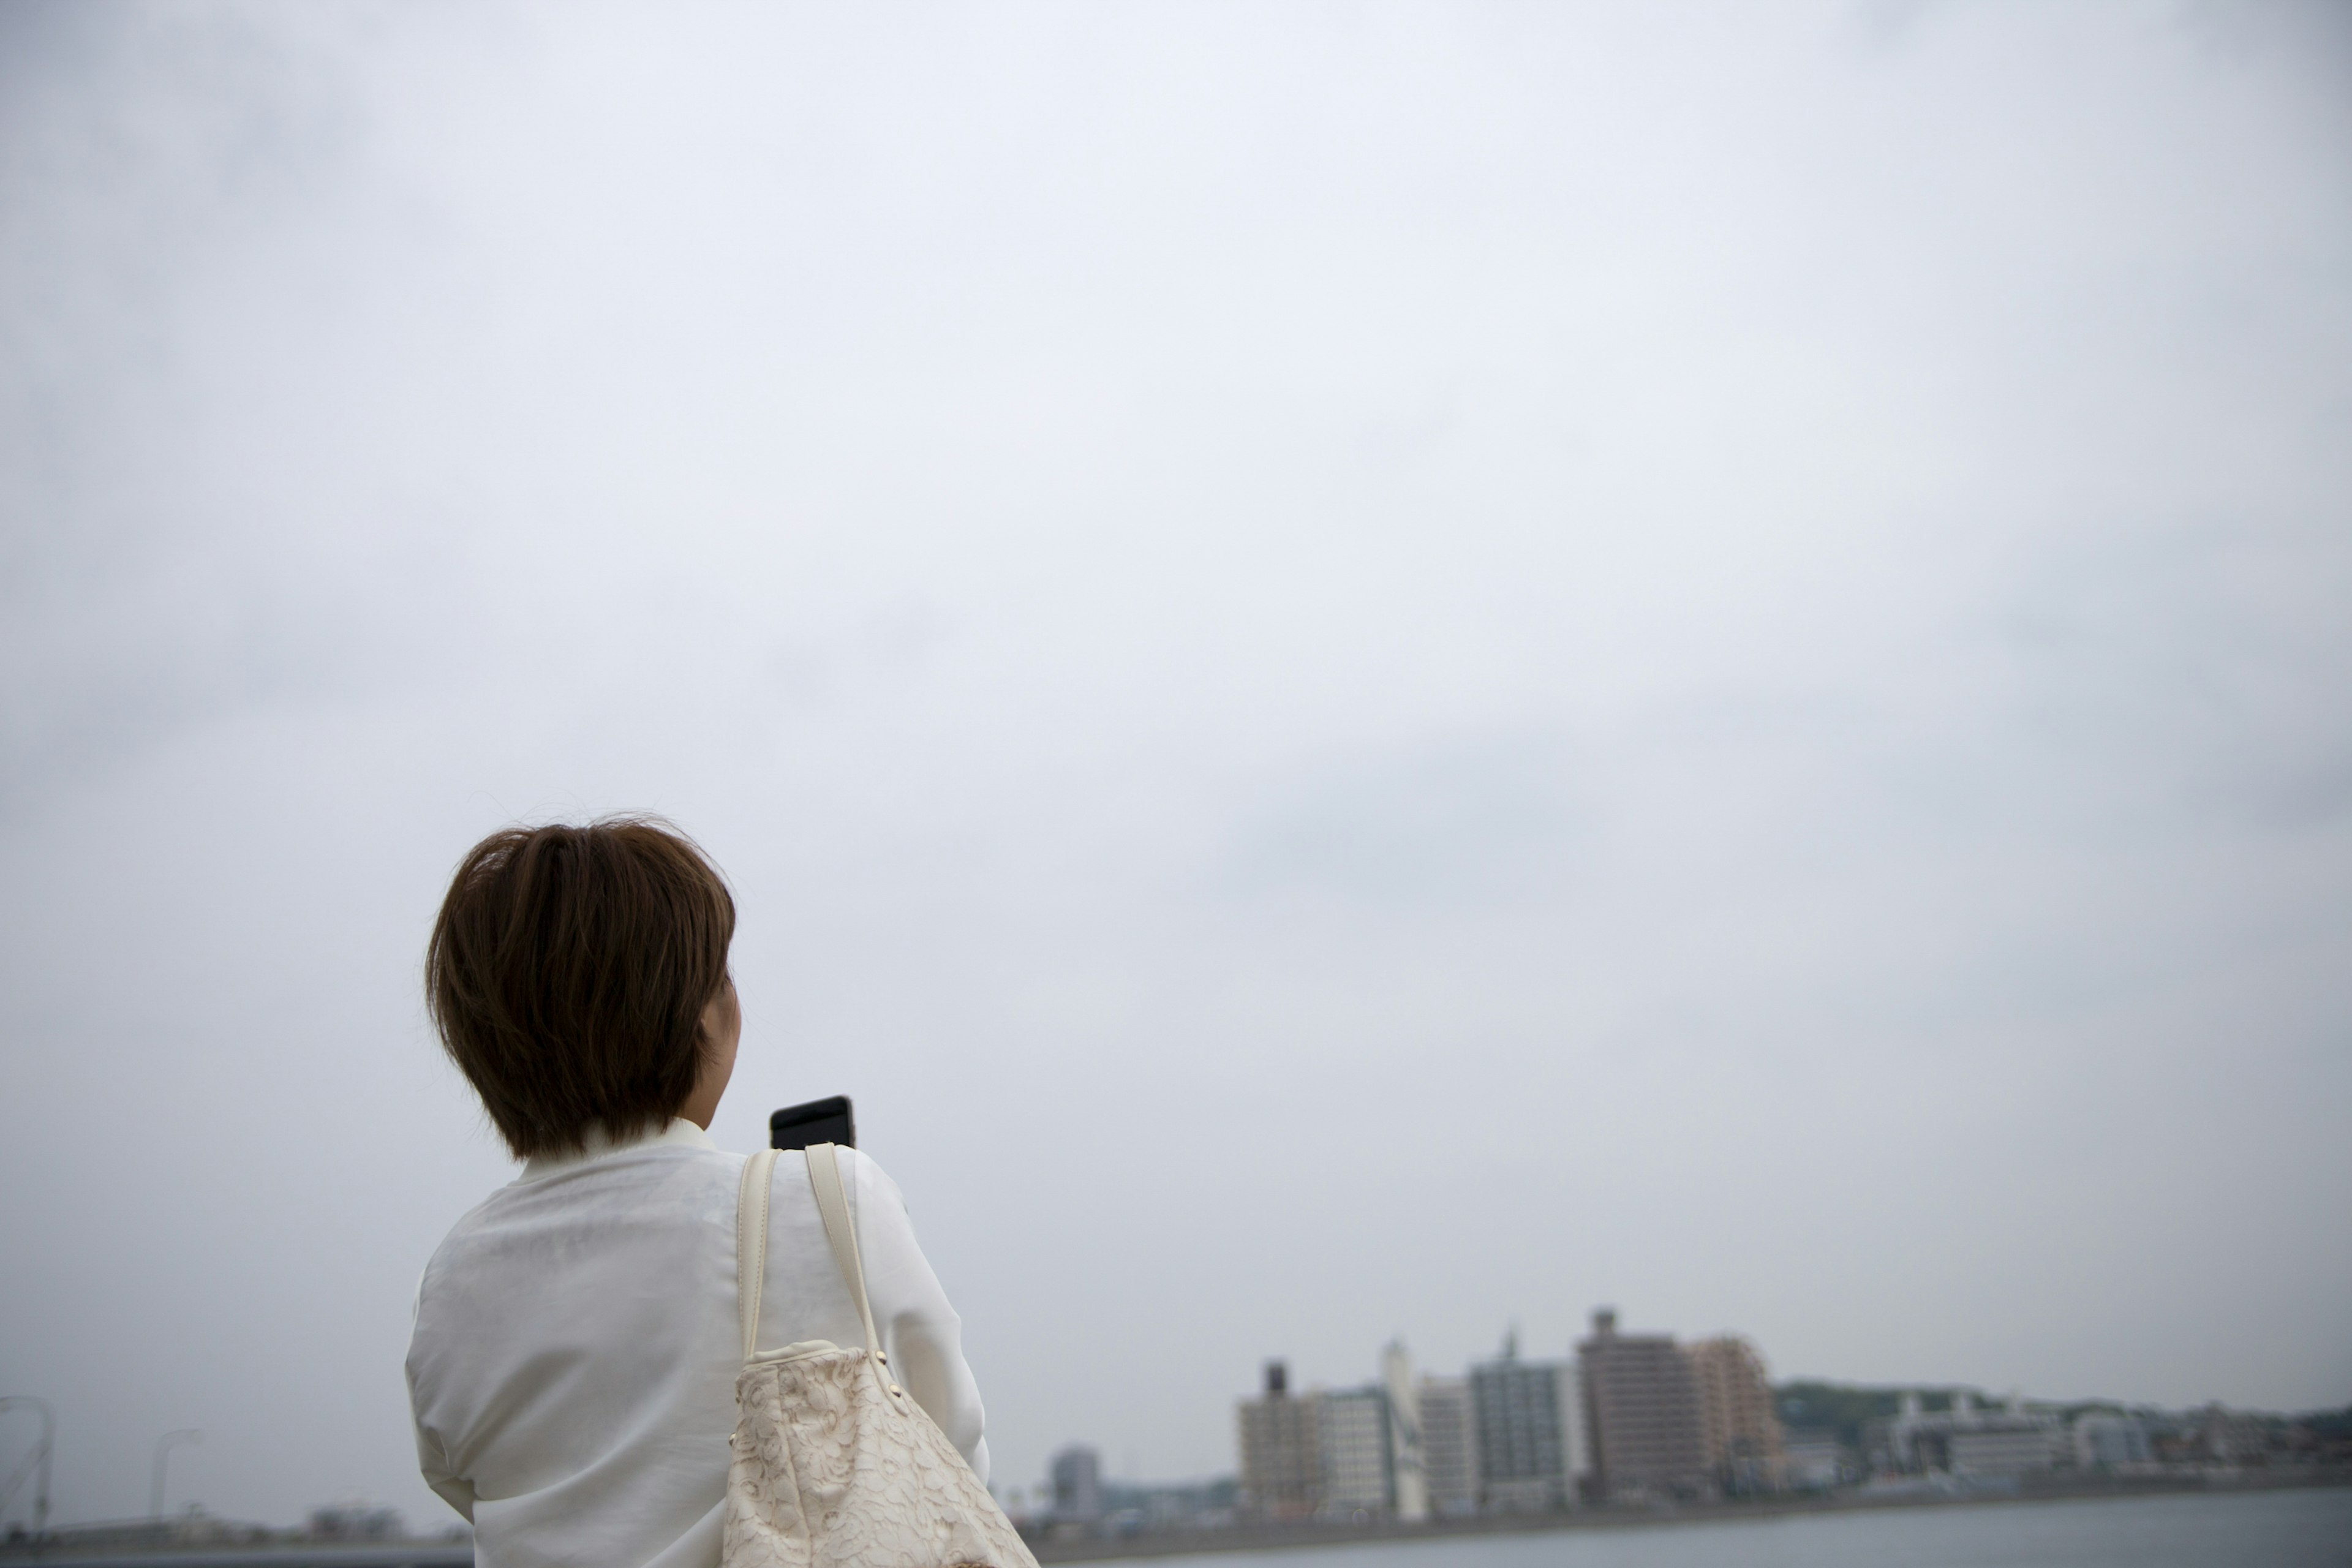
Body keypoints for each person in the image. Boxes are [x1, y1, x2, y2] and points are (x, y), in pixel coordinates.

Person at [405, 818, 988, 1568]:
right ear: (703, 1012)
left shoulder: (453, 1277)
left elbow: (455, 1474)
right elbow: (949, 1457)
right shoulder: (826, 1199)